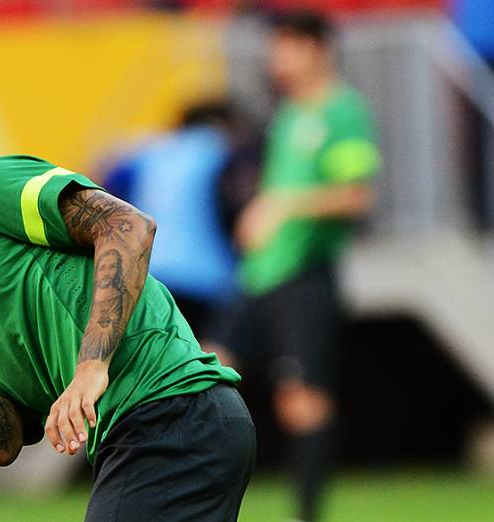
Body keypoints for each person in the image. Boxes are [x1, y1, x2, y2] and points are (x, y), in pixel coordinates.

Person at [0, 135, 255, 521]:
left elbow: (128, 225)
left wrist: (91, 366)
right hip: (156, 429)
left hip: (173, 409)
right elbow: (0, 444)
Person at [204, 11, 380, 522]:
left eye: (284, 46)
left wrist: (282, 206)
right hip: (259, 272)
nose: (273, 58)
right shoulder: (288, 113)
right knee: (203, 369)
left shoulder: (342, 111)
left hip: (304, 272)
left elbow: (355, 195)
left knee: (301, 400)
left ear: (316, 48)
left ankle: (307, 514)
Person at [102, 102, 256, 337]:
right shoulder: (220, 146)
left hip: (148, 273)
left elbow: (105, 185)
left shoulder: (149, 150)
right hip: (207, 279)